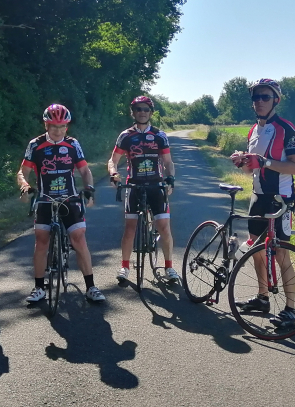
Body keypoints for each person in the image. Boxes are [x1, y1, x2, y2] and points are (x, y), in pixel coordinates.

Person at [229, 79, 295, 331]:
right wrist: (243, 161)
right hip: (258, 197)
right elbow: (254, 166)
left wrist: (265, 162)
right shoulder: (253, 131)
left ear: (276, 100)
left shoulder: (286, 129)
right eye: (255, 97)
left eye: (264, 97)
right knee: (256, 249)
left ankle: (291, 310)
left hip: (280, 198)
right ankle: (262, 298)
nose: (259, 101)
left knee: (281, 254)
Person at [16, 104, 105, 303]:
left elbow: (84, 171)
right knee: (41, 241)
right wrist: (24, 185)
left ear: (67, 126)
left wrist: (89, 189)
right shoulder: (36, 144)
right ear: (46, 125)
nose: (58, 131)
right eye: (54, 126)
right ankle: (39, 288)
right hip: (46, 198)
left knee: (79, 238)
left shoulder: (73, 144)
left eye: (62, 126)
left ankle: (91, 287)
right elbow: (23, 171)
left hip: (70, 197)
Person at [107, 96, 179, 283]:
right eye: (138, 109)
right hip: (134, 185)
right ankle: (124, 266)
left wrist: (170, 179)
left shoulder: (159, 135)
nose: (142, 112)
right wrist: (114, 174)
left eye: (146, 109)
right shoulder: (126, 136)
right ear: (133, 112)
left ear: (151, 112)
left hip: (156, 185)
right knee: (130, 228)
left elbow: (168, 162)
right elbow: (113, 160)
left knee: (164, 227)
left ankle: (169, 267)